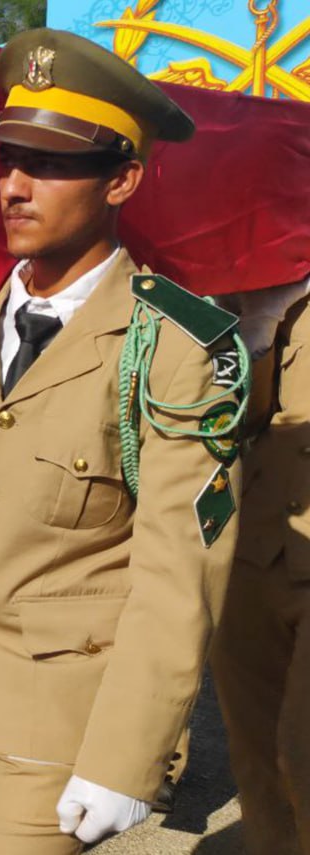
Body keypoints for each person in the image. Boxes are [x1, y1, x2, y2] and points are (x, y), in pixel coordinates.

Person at [0, 29, 245, 854]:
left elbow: (181, 567)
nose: (16, 184)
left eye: (52, 161)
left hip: (58, 708)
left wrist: (128, 754)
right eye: (4, 158)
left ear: (123, 179)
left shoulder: (177, 343)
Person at [211, 279, 310, 855]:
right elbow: (230, 418)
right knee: (258, 757)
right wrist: (253, 328)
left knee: (303, 751)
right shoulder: (250, 270)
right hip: (257, 546)